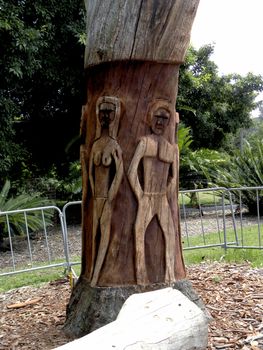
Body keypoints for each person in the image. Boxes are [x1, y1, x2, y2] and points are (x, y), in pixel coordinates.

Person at [128, 100, 179, 284]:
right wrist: (140, 195)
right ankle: (141, 277)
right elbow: (132, 171)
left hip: (161, 199)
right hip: (147, 197)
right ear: (150, 119)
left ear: (168, 123)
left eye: (165, 119)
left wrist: (167, 193)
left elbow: (174, 176)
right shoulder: (144, 142)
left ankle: (170, 275)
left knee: (170, 234)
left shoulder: (171, 148)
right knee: (139, 232)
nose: (160, 122)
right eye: (157, 117)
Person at [89, 96, 123, 285]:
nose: (105, 116)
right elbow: (90, 173)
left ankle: (96, 277)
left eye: (109, 112)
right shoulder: (95, 145)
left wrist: (111, 196)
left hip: (108, 199)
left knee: (104, 237)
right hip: (96, 198)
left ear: (115, 115)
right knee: (94, 237)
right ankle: (93, 271)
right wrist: (94, 194)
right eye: (102, 112)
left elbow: (119, 172)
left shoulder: (114, 145)